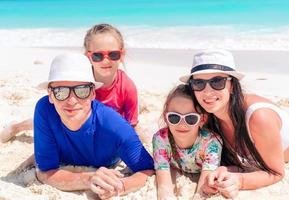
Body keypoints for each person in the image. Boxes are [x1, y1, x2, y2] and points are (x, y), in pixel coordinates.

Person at [179, 49, 289, 198]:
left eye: (217, 81)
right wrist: (226, 169)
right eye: (198, 83)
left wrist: (240, 181)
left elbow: (277, 173)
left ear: (233, 86)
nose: (207, 92)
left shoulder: (258, 117)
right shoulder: (208, 117)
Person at [34, 53, 154, 199]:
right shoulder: (44, 109)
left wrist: (120, 186)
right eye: (61, 92)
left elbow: (148, 169)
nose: (72, 101)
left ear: (93, 93)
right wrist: (88, 179)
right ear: (50, 95)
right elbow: (45, 172)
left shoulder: (115, 126)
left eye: (81, 91)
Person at [0, 23, 138, 143]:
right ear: (88, 57)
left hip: (99, 127)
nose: (106, 61)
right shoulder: (77, 81)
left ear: (122, 55)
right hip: (70, 119)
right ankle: (16, 127)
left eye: (113, 54)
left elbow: (132, 125)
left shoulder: (127, 87)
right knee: (45, 121)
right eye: (98, 56)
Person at [152, 84, 222, 200]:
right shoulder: (160, 139)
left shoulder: (212, 143)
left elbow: (203, 190)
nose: (182, 124)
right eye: (174, 117)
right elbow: (164, 186)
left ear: (202, 120)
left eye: (191, 118)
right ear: (166, 118)